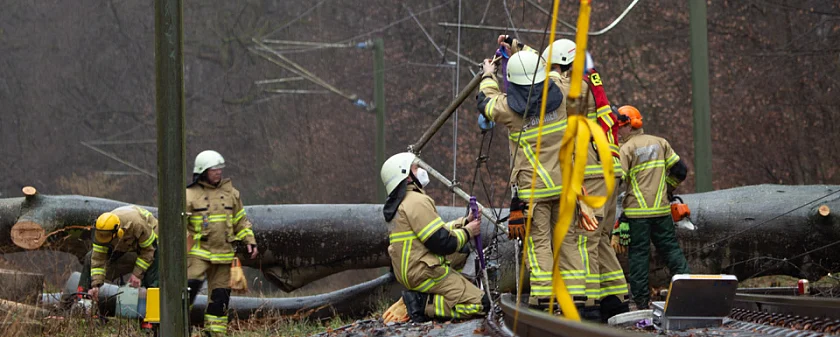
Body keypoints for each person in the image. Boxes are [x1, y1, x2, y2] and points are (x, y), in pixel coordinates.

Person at [476, 43, 570, 309]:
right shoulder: (560, 94)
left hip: (534, 191)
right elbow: (547, 65)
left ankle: (543, 298)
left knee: (539, 244)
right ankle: (572, 295)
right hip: (564, 186)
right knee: (565, 242)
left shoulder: (509, 110)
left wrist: (487, 73)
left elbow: (486, 101)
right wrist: (519, 45)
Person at [542, 39, 630, 320]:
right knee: (601, 239)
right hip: (608, 170)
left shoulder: (571, 88)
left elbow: (552, 95)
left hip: (590, 171)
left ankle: (589, 306)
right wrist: (517, 49)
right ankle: (615, 299)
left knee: (584, 239)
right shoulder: (590, 80)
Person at [380, 152, 488, 322]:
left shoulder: (400, 203)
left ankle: (451, 290)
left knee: (462, 251)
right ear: (406, 176)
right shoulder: (416, 201)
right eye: (415, 168)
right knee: (481, 304)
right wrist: (469, 232)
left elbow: (436, 231)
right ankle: (421, 303)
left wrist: (464, 222)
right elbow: (443, 243)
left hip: (411, 270)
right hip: (424, 272)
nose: (420, 171)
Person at [613, 106, 689, 310]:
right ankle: (688, 291)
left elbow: (617, 181)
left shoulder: (625, 149)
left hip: (637, 213)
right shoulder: (660, 143)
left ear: (628, 125)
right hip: (662, 210)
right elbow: (680, 170)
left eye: (619, 128)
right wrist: (667, 189)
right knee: (672, 251)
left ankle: (641, 302)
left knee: (638, 257)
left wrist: (617, 218)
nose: (617, 132)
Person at [186, 150, 258, 335]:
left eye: (220, 168)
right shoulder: (189, 195)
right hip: (197, 253)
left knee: (220, 299)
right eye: (213, 169)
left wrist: (249, 240)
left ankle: (214, 333)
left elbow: (240, 221)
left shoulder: (232, 194)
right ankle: (177, 328)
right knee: (187, 291)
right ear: (203, 171)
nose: (218, 172)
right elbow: (177, 225)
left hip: (224, 255)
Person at [81, 206, 160, 299]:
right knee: (89, 257)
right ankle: (82, 298)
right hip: (126, 244)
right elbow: (98, 259)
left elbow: (148, 250)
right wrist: (96, 285)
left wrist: (137, 274)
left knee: (151, 275)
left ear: (118, 232)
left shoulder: (137, 225)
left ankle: (151, 302)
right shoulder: (101, 232)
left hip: (151, 240)